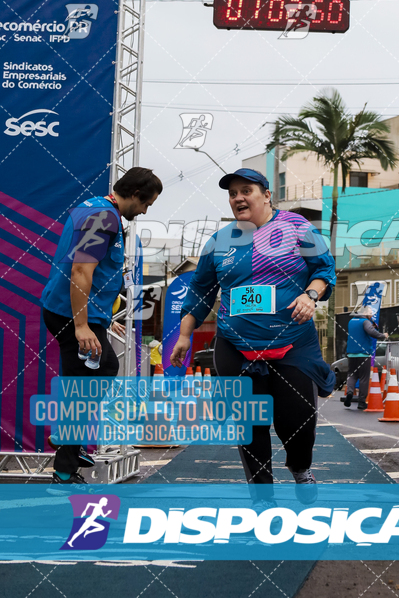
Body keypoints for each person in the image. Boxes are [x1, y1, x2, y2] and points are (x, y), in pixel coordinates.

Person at [170, 168, 336, 498]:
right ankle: (262, 496)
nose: (238, 198)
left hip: (293, 343)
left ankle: (301, 468)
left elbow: (323, 270)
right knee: (249, 425)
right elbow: (200, 292)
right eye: (232, 194)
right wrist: (185, 336)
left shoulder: (297, 227)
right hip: (235, 345)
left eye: (246, 190)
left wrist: (311, 295)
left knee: (297, 419)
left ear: (266, 194)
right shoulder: (220, 241)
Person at [41, 167, 162, 484]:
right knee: (102, 369)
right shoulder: (103, 217)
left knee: (85, 381)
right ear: (135, 194)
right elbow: (81, 270)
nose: (146, 210)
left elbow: (101, 275)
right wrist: (82, 326)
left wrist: (103, 320)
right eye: (147, 203)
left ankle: (70, 442)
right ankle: (65, 467)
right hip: (71, 315)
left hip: (77, 312)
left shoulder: (94, 207)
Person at [344, 305, 388, 410]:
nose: (371, 314)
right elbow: (371, 332)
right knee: (364, 377)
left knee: (352, 375)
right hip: (363, 354)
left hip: (351, 353)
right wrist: (383, 335)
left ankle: (350, 392)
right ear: (364, 313)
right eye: (370, 312)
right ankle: (361, 402)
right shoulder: (365, 322)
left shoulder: (351, 321)